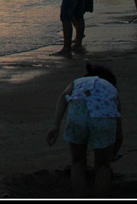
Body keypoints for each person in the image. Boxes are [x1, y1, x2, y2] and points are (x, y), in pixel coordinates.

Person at [46, 63, 123, 198]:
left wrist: (56, 124)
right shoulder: (111, 90)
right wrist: (113, 153)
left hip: (78, 114)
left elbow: (63, 97)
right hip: (103, 117)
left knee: (77, 162)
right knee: (103, 166)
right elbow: (118, 133)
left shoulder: (78, 82)